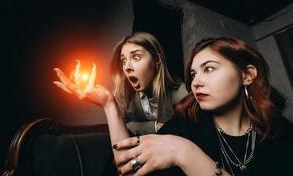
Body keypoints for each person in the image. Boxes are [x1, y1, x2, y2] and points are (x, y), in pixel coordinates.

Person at [54, 37, 293, 176]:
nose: (196, 81)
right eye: (193, 73)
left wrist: (185, 154)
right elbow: (127, 167)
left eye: (208, 68)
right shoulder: (186, 122)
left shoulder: (281, 134)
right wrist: (108, 104)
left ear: (247, 75)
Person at [54, 31, 187, 135]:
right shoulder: (130, 98)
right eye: (123, 61)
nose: (127, 67)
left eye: (136, 57)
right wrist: (155, 126)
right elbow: (124, 127)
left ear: (156, 61)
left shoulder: (180, 93)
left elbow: (188, 133)